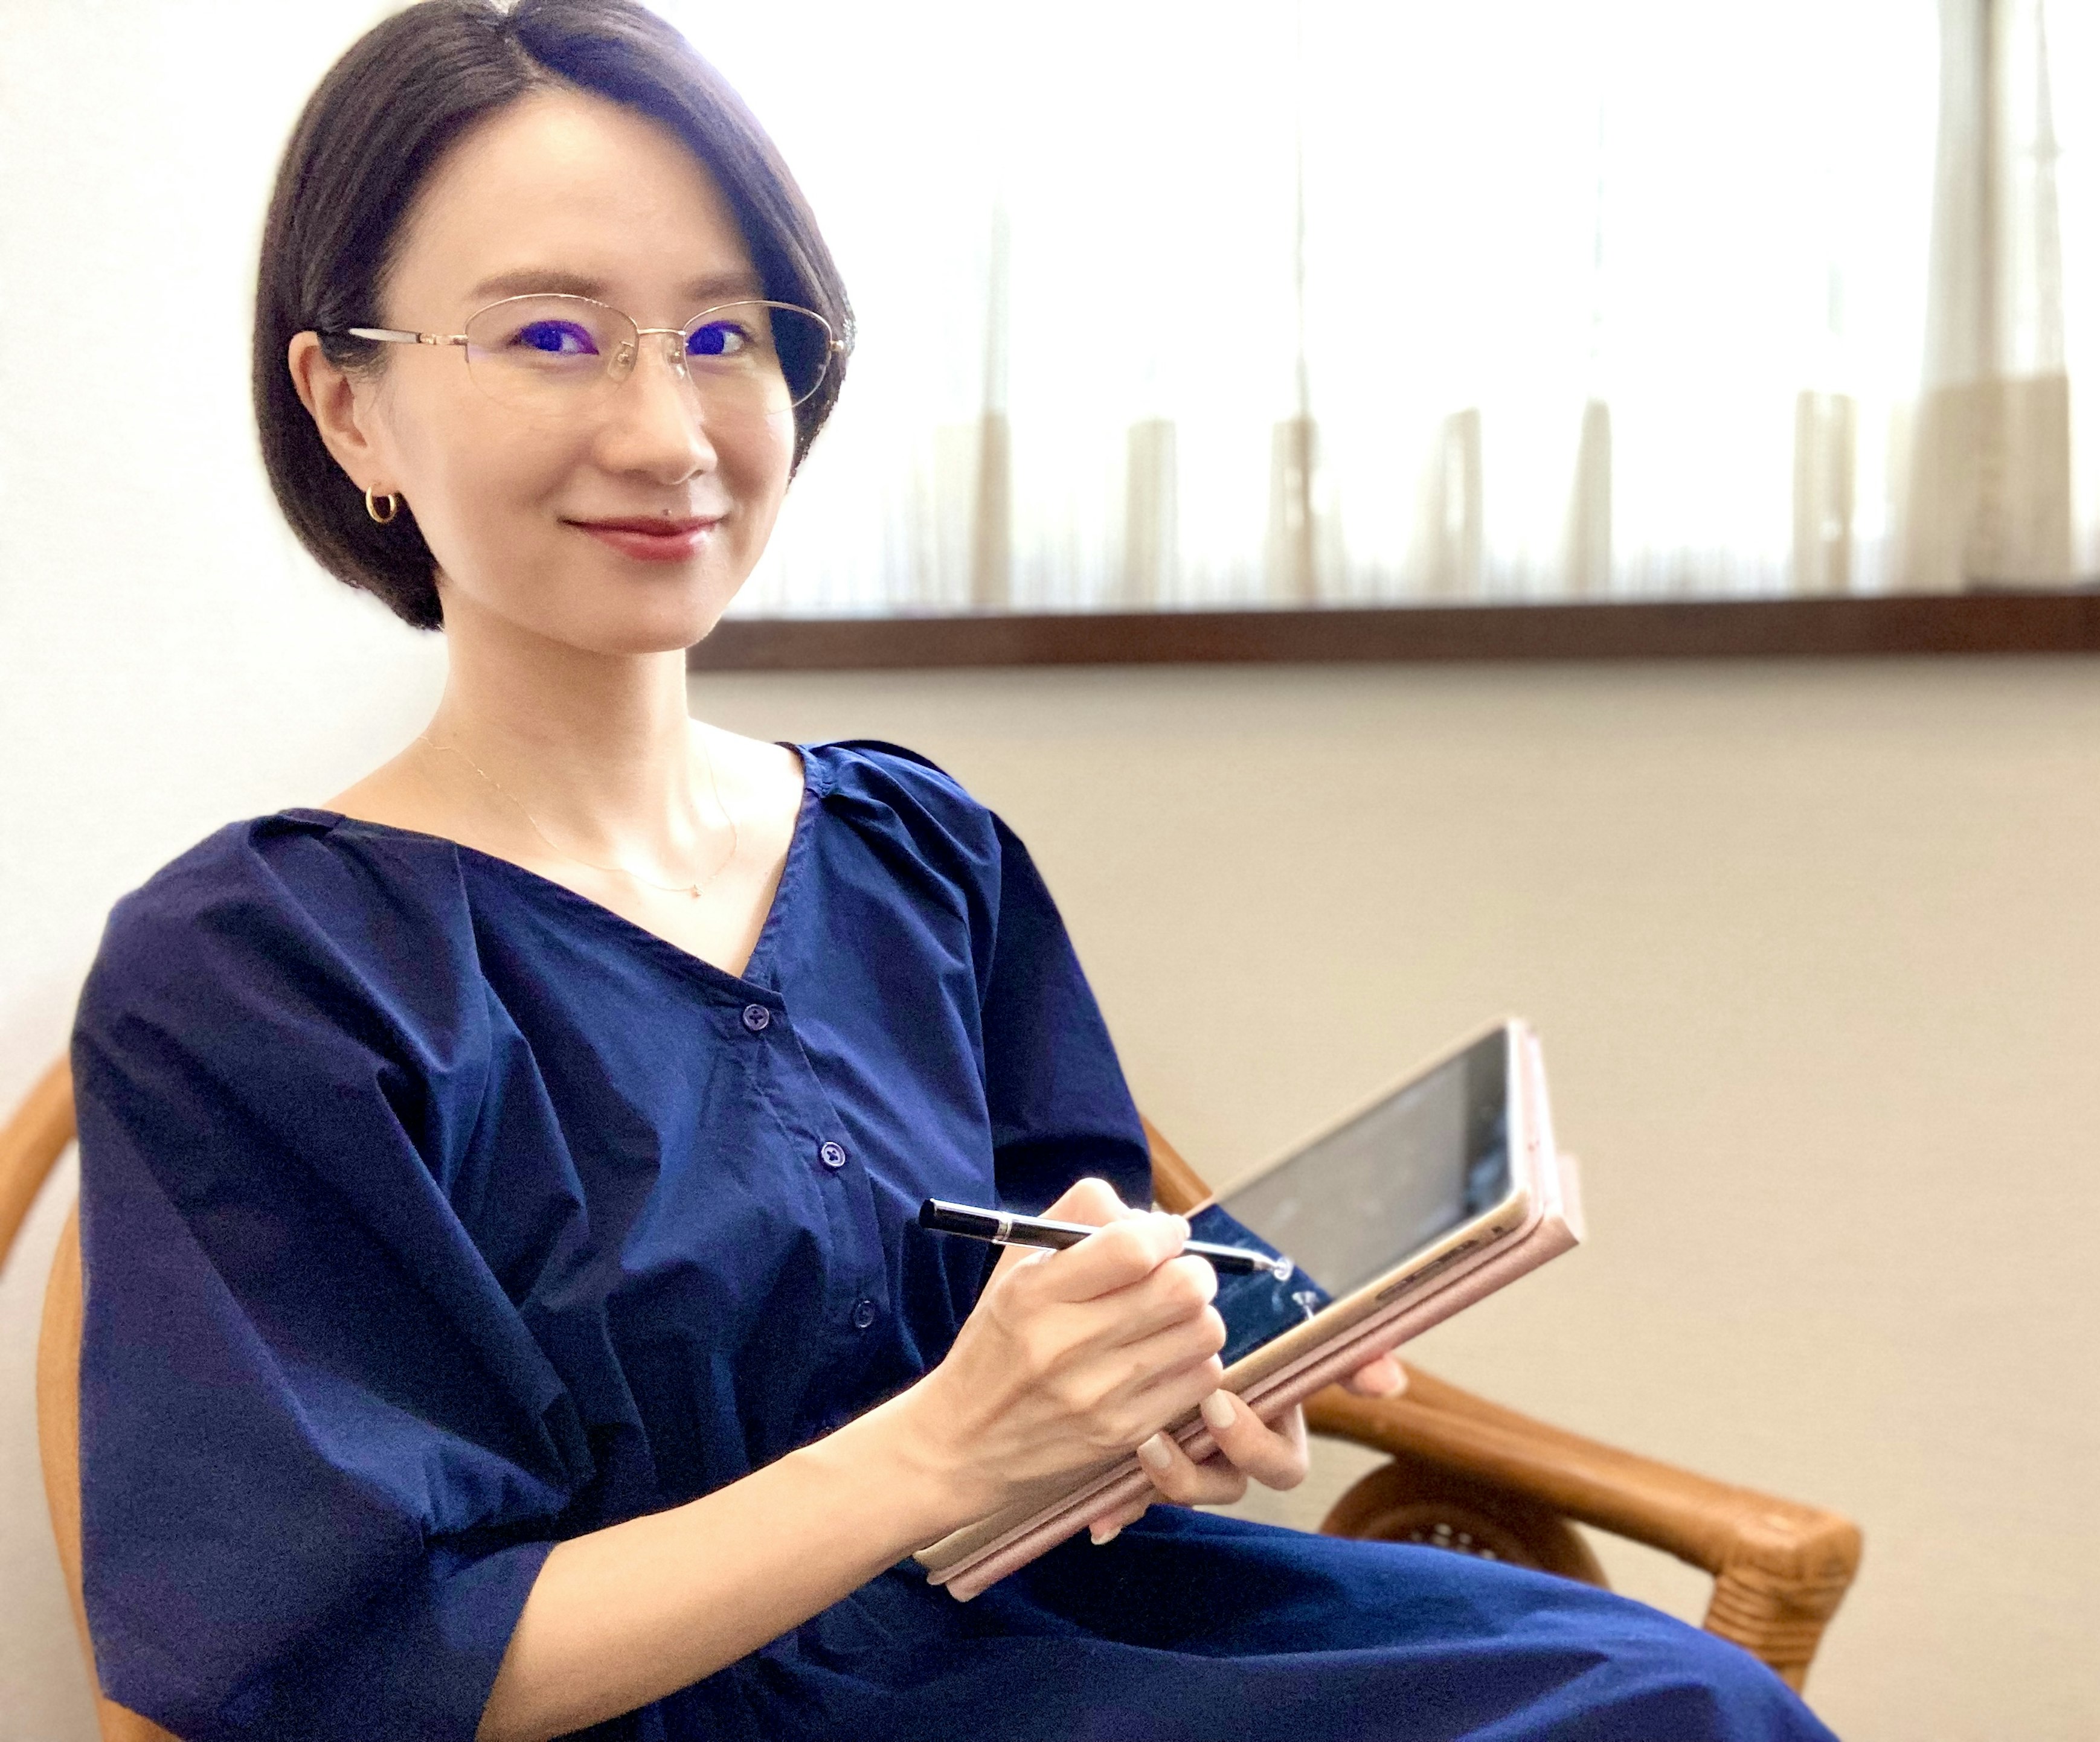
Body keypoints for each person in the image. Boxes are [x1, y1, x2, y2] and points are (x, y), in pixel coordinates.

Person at [67, 3, 1842, 1738]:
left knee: (1671, 1698)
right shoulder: (259, 975)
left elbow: (1062, 1313)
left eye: (726, 334)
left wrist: (1164, 1399)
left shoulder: (918, 854)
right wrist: (940, 1447)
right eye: (550, 337)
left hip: (1038, 1641)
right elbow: (331, 1671)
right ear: (348, 407)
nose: (670, 434)